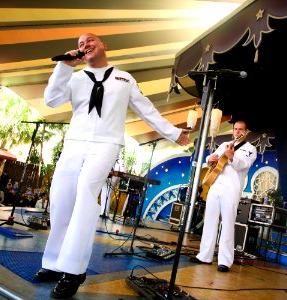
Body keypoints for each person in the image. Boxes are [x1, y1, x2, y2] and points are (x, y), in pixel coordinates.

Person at [34, 32, 190, 299]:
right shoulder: (74, 78)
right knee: (60, 200)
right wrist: (63, 67)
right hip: (74, 143)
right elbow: (51, 100)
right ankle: (53, 262)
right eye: (81, 44)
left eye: (91, 41)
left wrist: (173, 133)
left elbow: (146, 109)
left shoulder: (124, 78)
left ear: (104, 45)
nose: (86, 45)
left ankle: (73, 271)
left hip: (106, 144)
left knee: (85, 195)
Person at [190, 120, 256, 272]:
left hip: (232, 189)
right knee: (209, 221)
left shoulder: (250, 149)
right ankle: (204, 256)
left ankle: (225, 261)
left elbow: (244, 165)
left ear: (246, 132)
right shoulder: (224, 144)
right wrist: (210, 160)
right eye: (236, 129)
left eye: (241, 130)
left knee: (227, 223)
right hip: (215, 184)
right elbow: (211, 159)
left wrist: (232, 157)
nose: (237, 132)